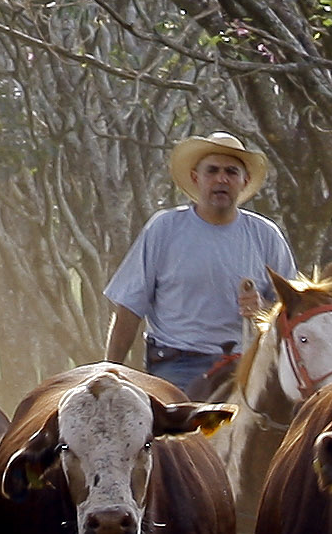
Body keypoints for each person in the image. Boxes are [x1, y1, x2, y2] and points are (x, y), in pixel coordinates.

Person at [103, 133, 297, 387]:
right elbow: (129, 308)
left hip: (249, 361)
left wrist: (263, 309)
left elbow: (293, 309)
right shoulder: (164, 229)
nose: (221, 179)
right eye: (212, 171)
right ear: (196, 178)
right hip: (177, 362)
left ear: (243, 181)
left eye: (231, 172)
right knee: (191, 425)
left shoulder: (266, 235)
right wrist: (109, 371)